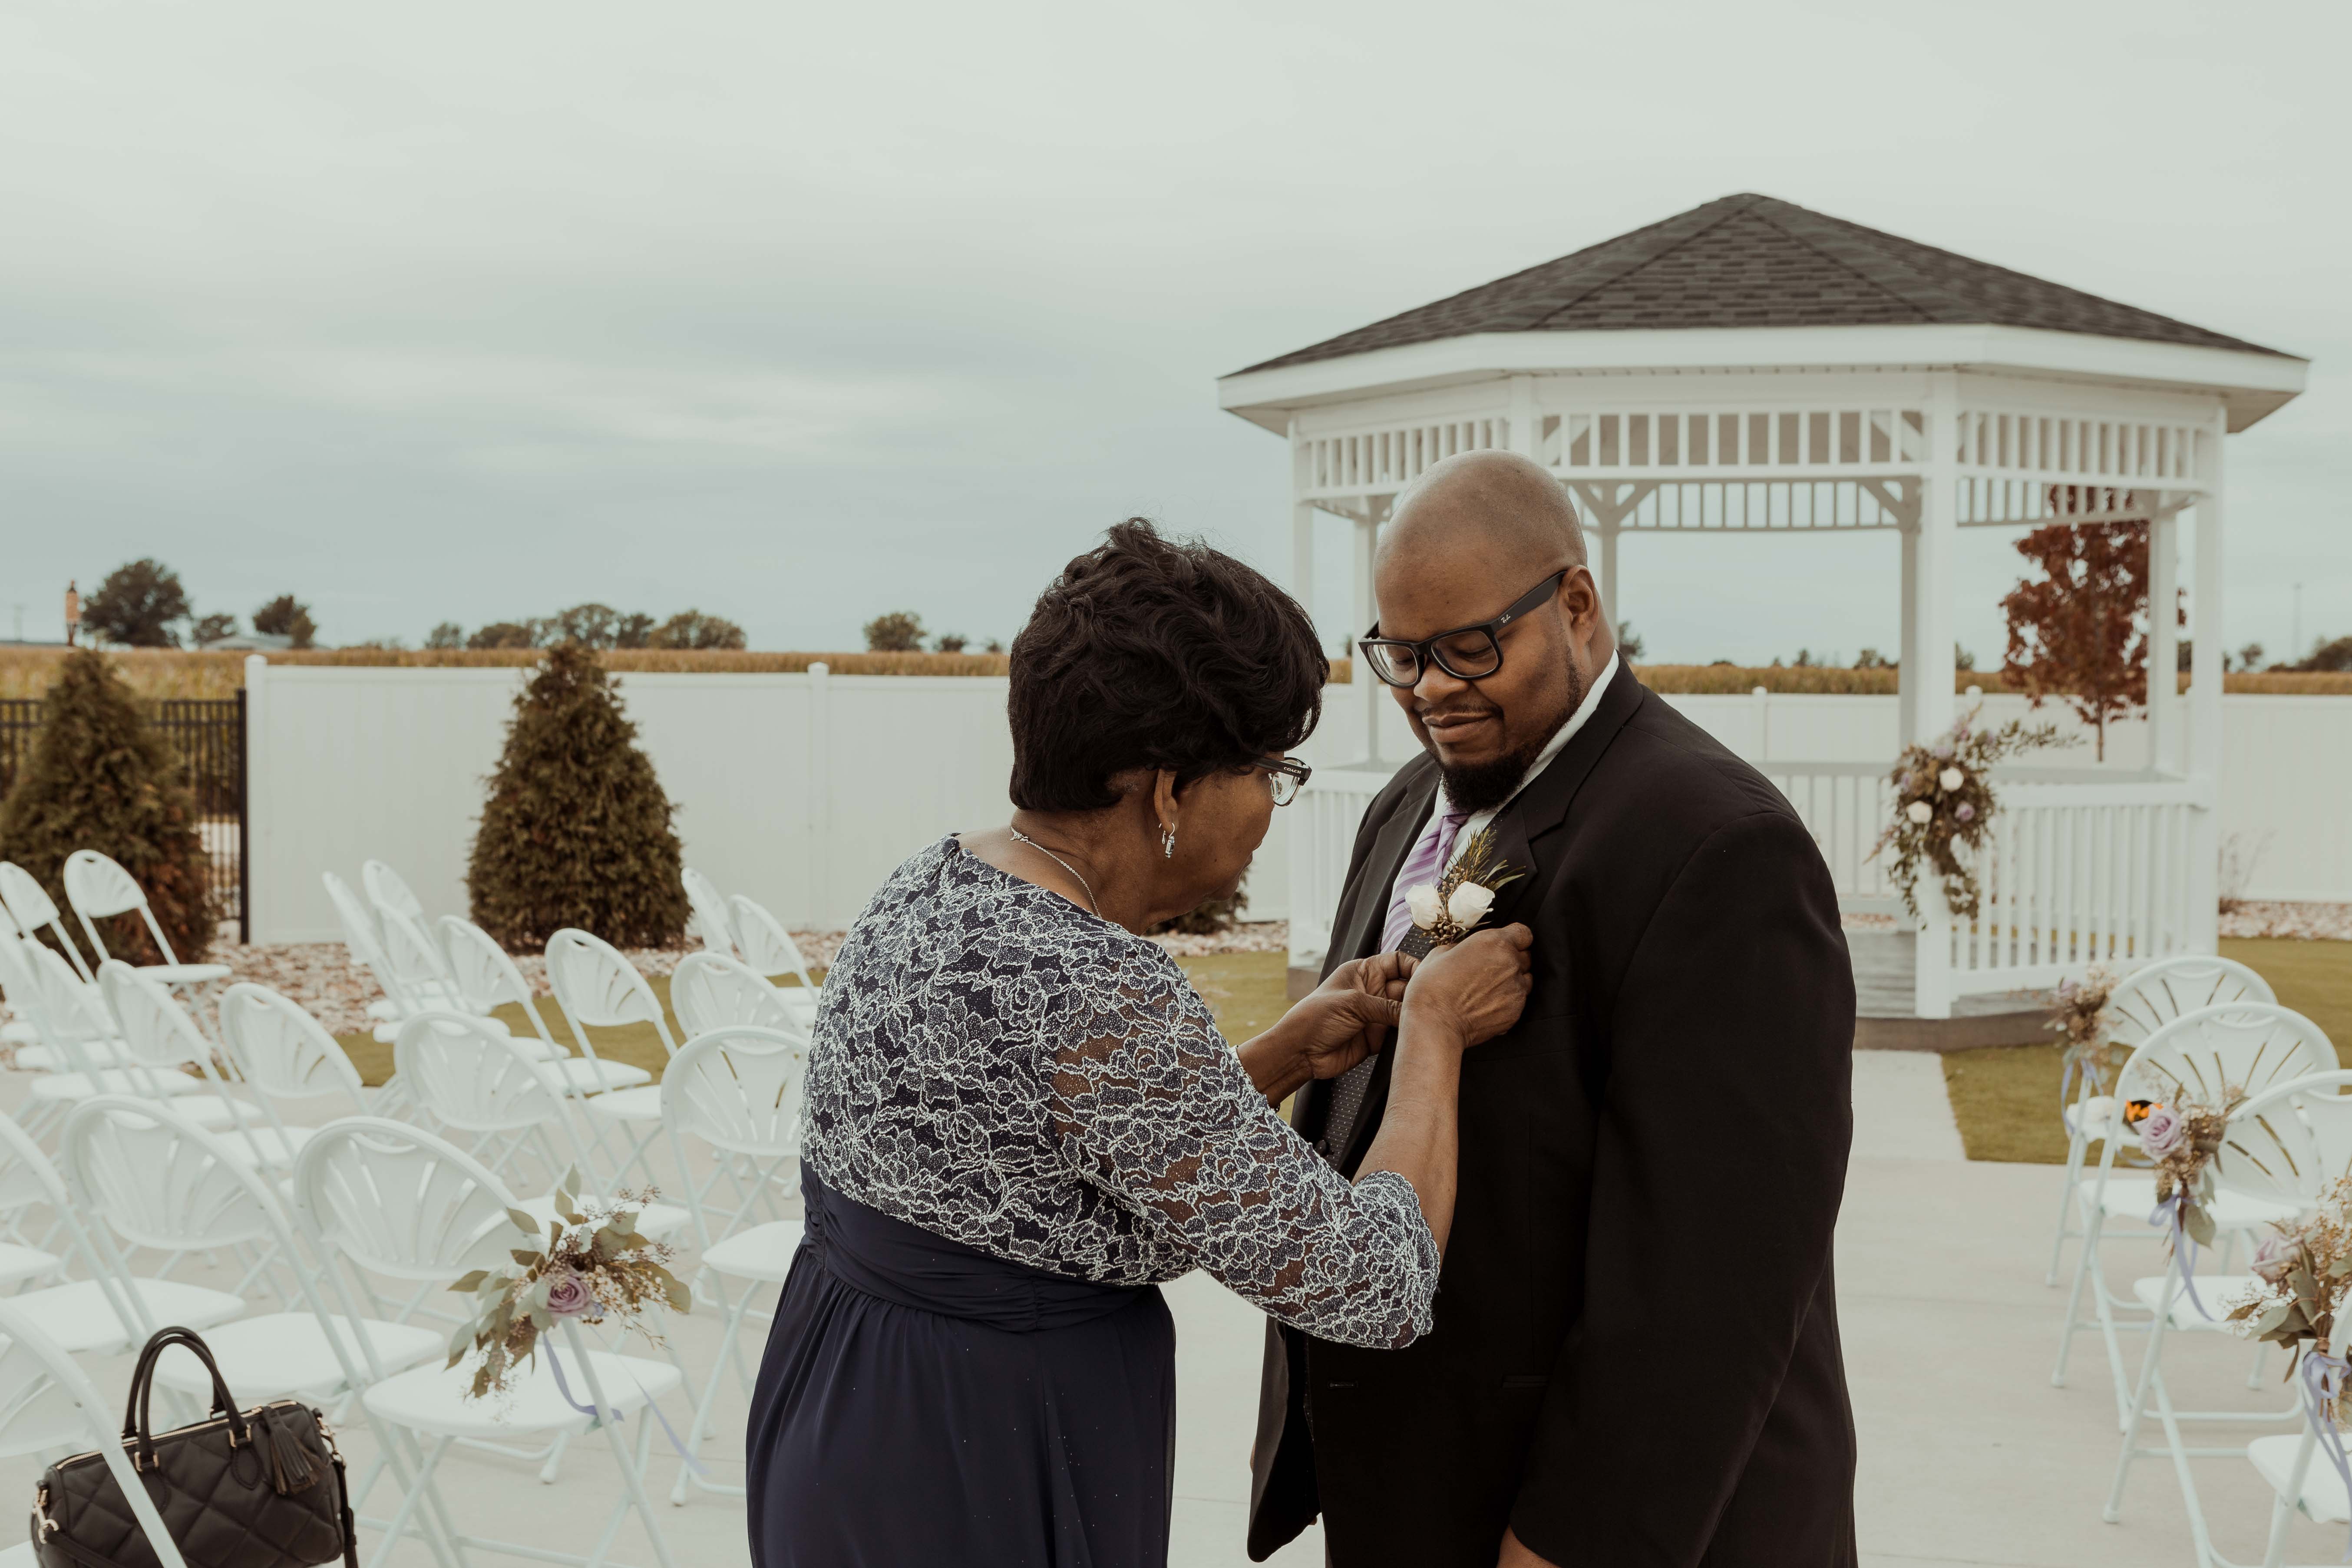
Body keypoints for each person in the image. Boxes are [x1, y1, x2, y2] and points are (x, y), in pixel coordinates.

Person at [746, 518, 1533, 1567]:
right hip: (987, 1456)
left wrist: (1286, 1053)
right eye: (1268, 772)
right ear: (1168, 789)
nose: (1268, 810)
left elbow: (1051, 1181)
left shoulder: (928, 885)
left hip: (846, 1405)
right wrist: (1433, 1028)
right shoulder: (1097, 984)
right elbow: (1370, 1284)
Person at [1249, 451, 1857, 1568]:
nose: (1430, 689)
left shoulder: (1718, 848)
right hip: (1417, 1492)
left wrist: (1564, 1544)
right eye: (1402, 656)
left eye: (1471, 647)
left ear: (1576, 605)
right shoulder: (1401, 810)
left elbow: (1712, 1286)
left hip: (1580, 1521)